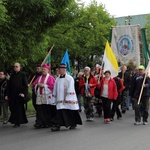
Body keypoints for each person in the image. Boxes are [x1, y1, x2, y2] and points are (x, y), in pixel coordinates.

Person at [51, 63, 82, 131]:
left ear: (63, 69)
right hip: (59, 98)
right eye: (59, 69)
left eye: (60, 69)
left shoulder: (69, 78)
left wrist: (68, 97)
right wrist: (54, 97)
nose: (59, 70)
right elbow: (55, 88)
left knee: (70, 111)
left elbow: (71, 88)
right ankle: (57, 125)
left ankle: (73, 123)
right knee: (59, 111)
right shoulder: (57, 79)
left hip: (67, 98)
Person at [33, 64, 56, 128]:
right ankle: (39, 122)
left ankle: (48, 122)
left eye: (44, 69)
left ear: (48, 70)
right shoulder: (39, 77)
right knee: (39, 109)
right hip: (39, 96)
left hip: (47, 97)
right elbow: (34, 85)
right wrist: (37, 85)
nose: (43, 70)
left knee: (46, 110)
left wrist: (44, 86)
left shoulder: (51, 78)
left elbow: (53, 87)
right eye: (42, 69)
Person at [6, 62, 28, 128]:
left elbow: (25, 85)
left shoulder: (23, 74)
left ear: (19, 67)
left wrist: (23, 93)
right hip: (12, 95)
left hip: (19, 95)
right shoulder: (12, 75)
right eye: (14, 66)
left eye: (16, 66)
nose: (15, 68)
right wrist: (7, 95)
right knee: (12, 108)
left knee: (18, 109)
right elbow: (9, 86)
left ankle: (17, 122)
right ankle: (14, 121)